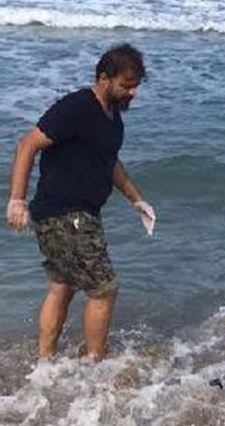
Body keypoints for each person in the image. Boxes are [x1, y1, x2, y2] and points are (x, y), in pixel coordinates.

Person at [5, 43, 156, 361]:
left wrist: (137, 200)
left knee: (62, 285)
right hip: (67, 214)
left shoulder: (113, 119)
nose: (133, 93)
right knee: (104, 289)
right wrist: (16, 200)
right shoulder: (77, 107)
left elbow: (110, 163)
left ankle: (46, 361)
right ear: (104, 78)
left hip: (69, 215)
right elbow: (27, 144)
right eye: (126, 86)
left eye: (136, 86)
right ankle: (95, 364)